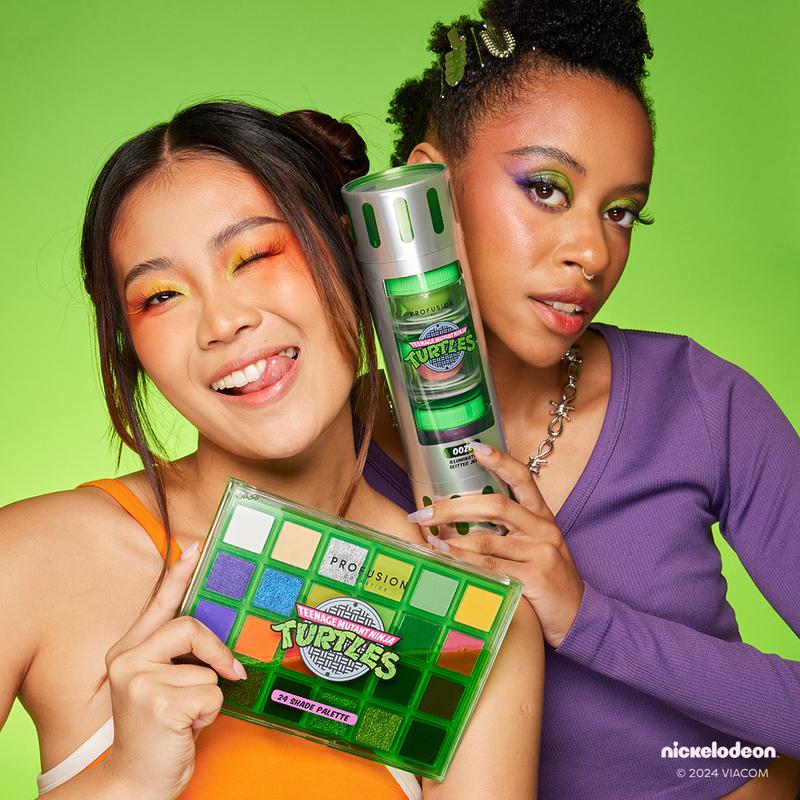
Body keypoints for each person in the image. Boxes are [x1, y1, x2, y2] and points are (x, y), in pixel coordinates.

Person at [0, 101, 543, 799]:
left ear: (351, 255)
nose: (223, 321)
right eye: (160, 296)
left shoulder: (461, 613)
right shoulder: (32, 560)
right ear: (130, 345)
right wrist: (127, 780)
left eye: (254, 256)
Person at [370, 0, 800, 798]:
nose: (594, 252)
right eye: (546, 188)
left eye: (621, 212)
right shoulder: (333, 456)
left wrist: (585, 619)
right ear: (428, 186)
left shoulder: (701, 403)